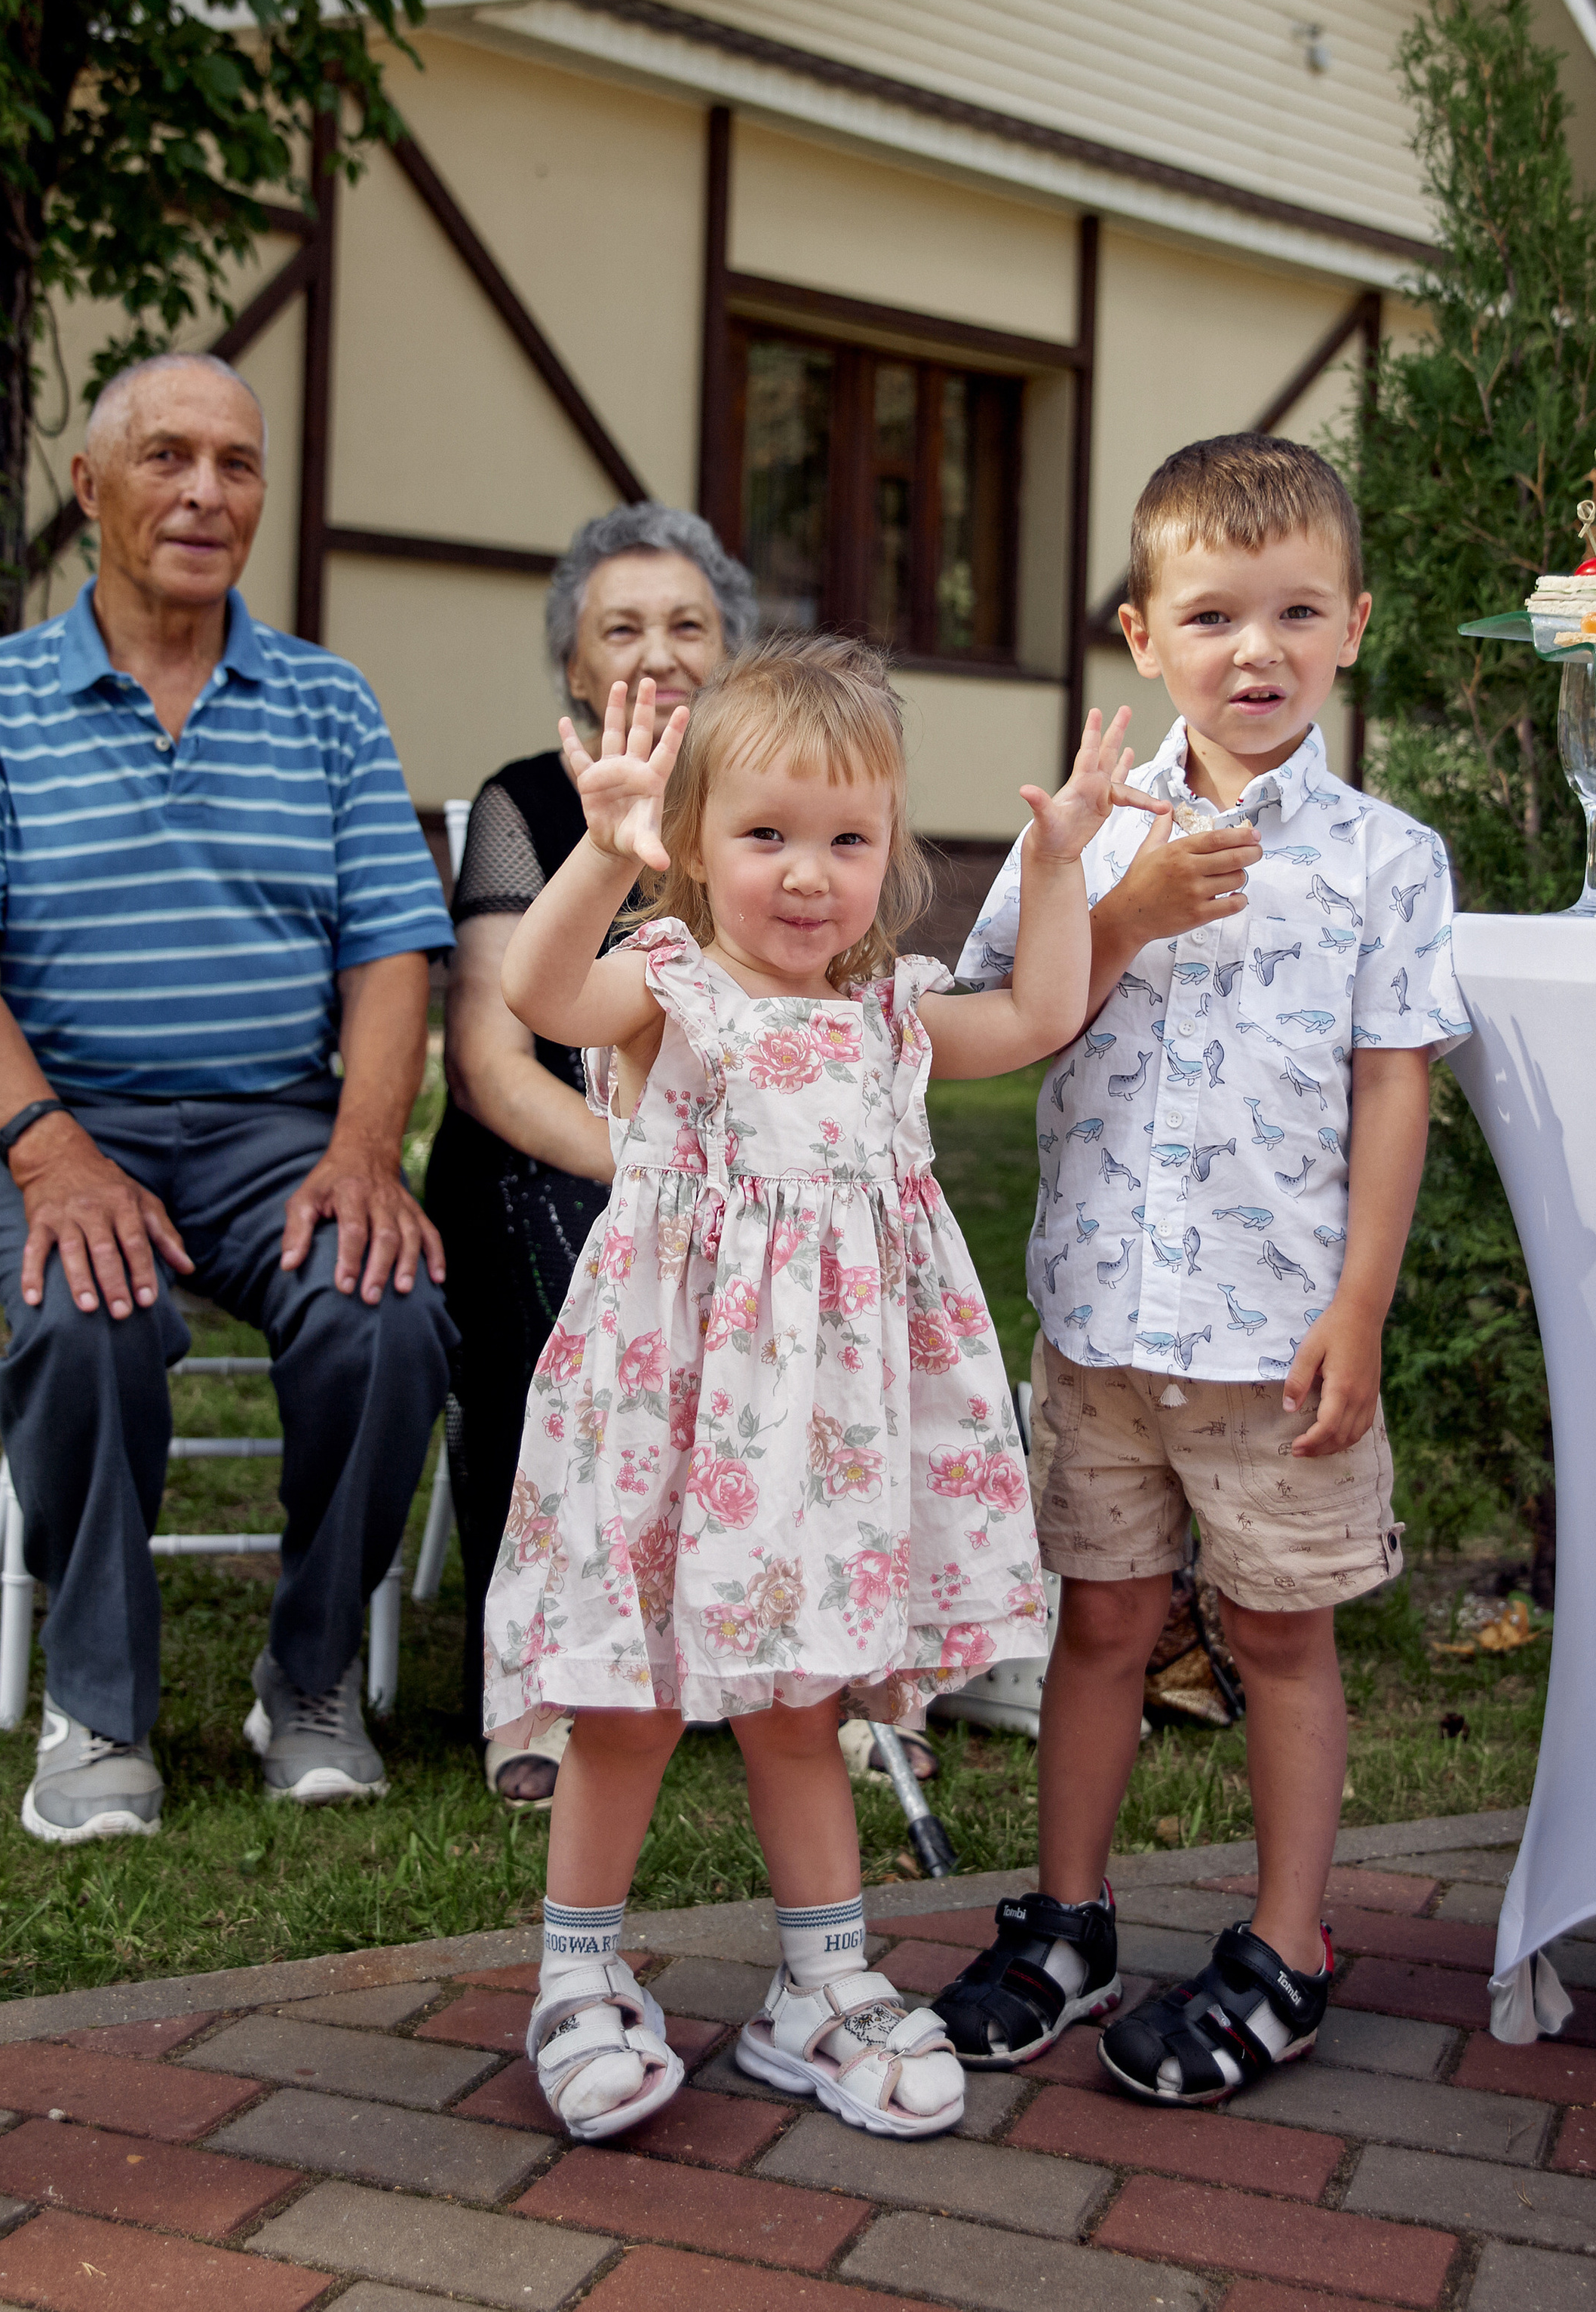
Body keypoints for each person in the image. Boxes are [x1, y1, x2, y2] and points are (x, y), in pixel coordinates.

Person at [484, 640, 1168, 2144]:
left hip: (828, 1435)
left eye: (847, 841)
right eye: (766, 836)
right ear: (697, 846)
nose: (808, 876)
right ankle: (577, 1981)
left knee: (806, 1701)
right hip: (673, 1417)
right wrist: (601, 855)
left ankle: (821, 1986)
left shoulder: (891, 1020)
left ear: (890, 855)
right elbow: (535, 987)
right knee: (630, 1703)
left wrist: (1058, 867)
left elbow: (1044, 1013)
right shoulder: (666, 993)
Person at [937, 433, 1469, 2104]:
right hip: (1100, 1325)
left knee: (1278, 1641)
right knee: (1096, 1626)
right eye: (1215, 614)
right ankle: (1069, 1924)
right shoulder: (1084, 839)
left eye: (1295, 613)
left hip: (1273, 1340)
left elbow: (1394, 1079)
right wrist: (1121, 910)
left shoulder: (1386, 860)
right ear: (1138, 636)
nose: (1256, 651)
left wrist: (1359, 1307)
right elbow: (991, 1035)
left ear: (1352, 629)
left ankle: (1289, 1944)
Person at [0, 353, 456, 1844]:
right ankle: (100, 1705)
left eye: (238, 464)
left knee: (386, 1313)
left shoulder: (325, 702)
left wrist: (367, 1152)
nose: (205, 492)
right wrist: (53, 1153)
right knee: (87, 1312)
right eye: (167, 457)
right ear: (89, 487)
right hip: (55, 1118)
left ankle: (310, 1681)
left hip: (274, 1128)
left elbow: (391, 950)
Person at [425, 503, 756, 1809]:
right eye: (624, 628)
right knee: (561, 1272)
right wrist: (646, 1170)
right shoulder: (523, 801)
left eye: (689, 624)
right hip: (557, 1152)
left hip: (744, 1167)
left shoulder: (766, 802)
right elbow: (494, 1063)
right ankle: (543, 1682)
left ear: (729, 652)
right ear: (575, 664)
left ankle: (770, 1647)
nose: (660, 651)